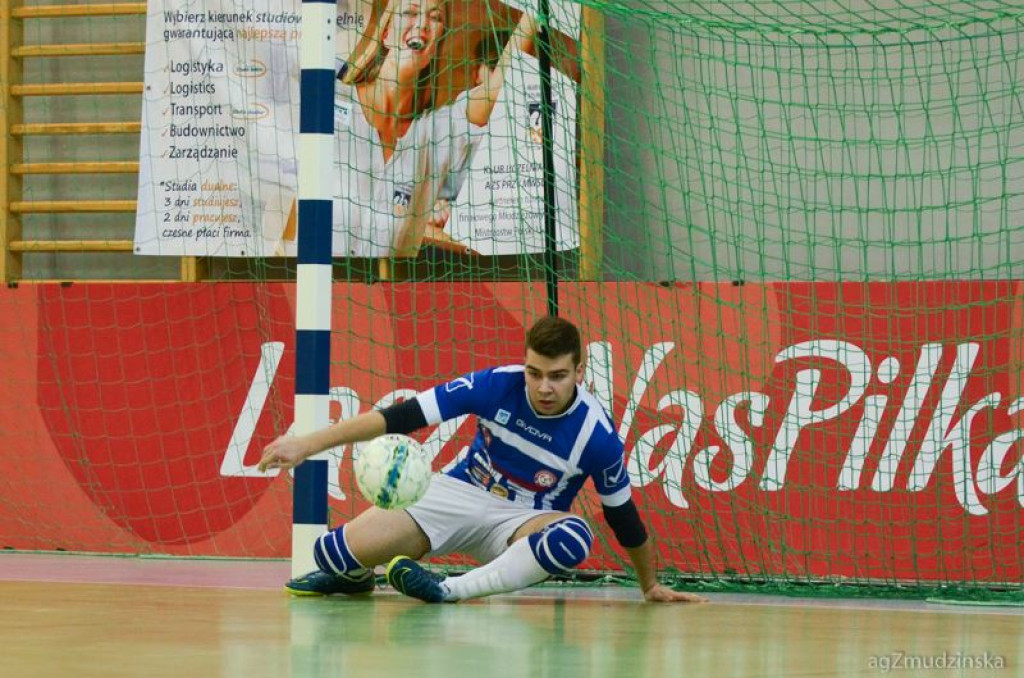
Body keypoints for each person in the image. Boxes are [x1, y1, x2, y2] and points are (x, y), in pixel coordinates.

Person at [258, 316, 707, 604]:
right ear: (524, 364)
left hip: (522, 521)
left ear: (579, 372)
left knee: (574, 537)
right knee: (330, 554)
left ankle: (448, 591)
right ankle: (355, 577)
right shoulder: (495, 384)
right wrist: (307, 444)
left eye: (557, 376)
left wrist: (649, 584)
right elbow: (400, 416)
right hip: (459, 491)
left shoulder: (597, 436)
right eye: (534, 373)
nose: (544, 387)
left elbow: (623, 517)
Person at [332, 0, 539, 258]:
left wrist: (536, 11)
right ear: (386, 33)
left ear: (436, 44)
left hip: (387, 284)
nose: (422, 24)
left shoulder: (435, 133)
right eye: (410, 12)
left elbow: (496, 90)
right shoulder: (331, 98)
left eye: (435, 17)